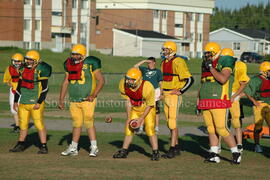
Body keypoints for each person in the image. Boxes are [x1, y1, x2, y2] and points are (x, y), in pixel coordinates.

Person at [197, 42, 241, 164]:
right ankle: (214, 154)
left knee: (221, 128)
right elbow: (203, 83)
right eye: (205, 53)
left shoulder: (225, 60)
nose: (206, 55)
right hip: (206, 99)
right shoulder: (205, 63)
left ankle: (236, 152)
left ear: (216, 53)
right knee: (210, 129)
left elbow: (223, 79)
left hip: (219, 98)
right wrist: (198, 101)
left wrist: (211, 67)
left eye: (208, 53)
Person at [59, 44, 104, 157]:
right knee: (76, 123)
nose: (74, 56)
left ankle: (94, 147)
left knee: (88, 122)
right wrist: (61, 99)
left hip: (87, 99)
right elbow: (65, 82)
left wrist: (93, 95)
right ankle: (73, 147)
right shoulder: (68, 63)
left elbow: (101, 80)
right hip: (74, 99)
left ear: (83, 55)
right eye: (73, 54)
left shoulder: (91, 63)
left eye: (77, 54)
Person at [9, 50, 52, 154]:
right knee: (23, 125)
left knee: (38, 124)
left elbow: (45, 89)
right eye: (27, 59)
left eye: (30, 60)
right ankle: (20, 144)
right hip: (23, 101)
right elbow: (19, 86)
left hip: (35, 102)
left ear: (36, 61)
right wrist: (15, 101)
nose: (27, 61)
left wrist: (39, 102)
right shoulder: (23, 69)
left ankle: (43, 146)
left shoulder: (41, 69)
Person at [113, 67, 160, 160]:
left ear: (139, 80)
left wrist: (141, 118)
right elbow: (128, 101)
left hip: (148, 108)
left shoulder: (147, 86)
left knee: (150, 129)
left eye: (131, 80)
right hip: (135, 107)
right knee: (128, 127)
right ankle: (124, 150)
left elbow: (150, 105)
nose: (128, 82)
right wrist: (129, 117)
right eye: (127, 79)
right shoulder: (123, 84)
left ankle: (155, 152)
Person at [160, 41, 194, 158]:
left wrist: (181, 90)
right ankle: (177, 146)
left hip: (174, 96)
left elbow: (190, 80)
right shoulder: (164, 61)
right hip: (165, 94)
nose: (164, 51)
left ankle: (172, 149)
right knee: (170, 123)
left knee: (172, 122)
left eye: (166, 49)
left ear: (172, 50)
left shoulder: (179, 61)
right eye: (163, 49)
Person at [221, 48, 249, 153]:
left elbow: (244, 83)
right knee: (222, 120)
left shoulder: (240, 65)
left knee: (236, 121)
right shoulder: (220, 65)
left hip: (233, 94)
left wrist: (235, 95)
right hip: (223, 93)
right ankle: (220, 143)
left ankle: (239, 144)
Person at [244, 61, 270, 153]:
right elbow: (247, 91)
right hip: (259, 105)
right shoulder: (256, 80)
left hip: (269, 105)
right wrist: (254, 101)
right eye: (269, 71)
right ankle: (257, 145)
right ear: (264, 71)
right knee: (258, 127)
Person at [134, 57, 163, 134]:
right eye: (148, 63)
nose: (149, 64)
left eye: (150, 62)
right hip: (145, 92)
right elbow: (135, 66)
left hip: (155, 92)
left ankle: (156, 127)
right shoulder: (144, 70)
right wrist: (144, 61)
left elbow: (160, 83)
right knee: (143, 110)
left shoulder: (158, 71)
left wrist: (161, 93)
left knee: (156, 111)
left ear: (154, 63)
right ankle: (140, 127)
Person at [3, 53, 24, 133]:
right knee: (13, 108)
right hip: (13, 90)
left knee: (22, 108)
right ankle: (17, 126)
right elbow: (6, 80)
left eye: (18, 61)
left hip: (23, 90)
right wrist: (10, 84)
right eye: (15, 61)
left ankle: (23, 125)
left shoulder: (25, 69)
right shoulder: (9, 68)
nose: (16, 63)